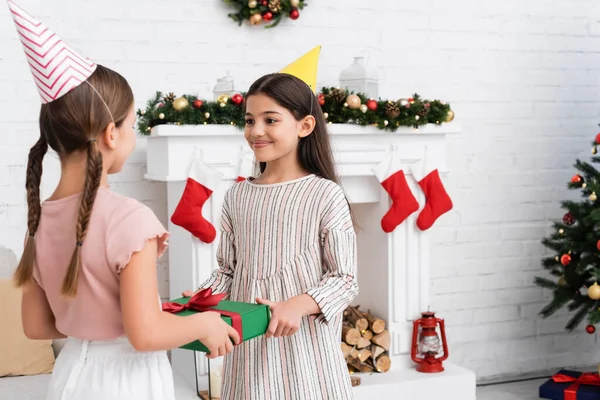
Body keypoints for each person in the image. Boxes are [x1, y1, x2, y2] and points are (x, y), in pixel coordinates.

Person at [8, 2, 239, 399]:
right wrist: (206, 325)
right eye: (132, 126)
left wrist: (97, 320)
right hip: (126, 381)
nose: (133, 138)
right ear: (110, 135)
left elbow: (36, 326)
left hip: (69, 380)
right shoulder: (130, 219)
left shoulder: (37, 222)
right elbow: (145, 335)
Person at [184, 68, 360, 399]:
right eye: (250, 121)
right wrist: (199, 299)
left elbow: (345, 279)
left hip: (307, 355)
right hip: (250, 354)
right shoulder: (238, 195)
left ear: (305, 126)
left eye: (270, 120)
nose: (256, 131)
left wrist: (297, 305)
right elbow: (228, 271)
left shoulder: (324, 194)